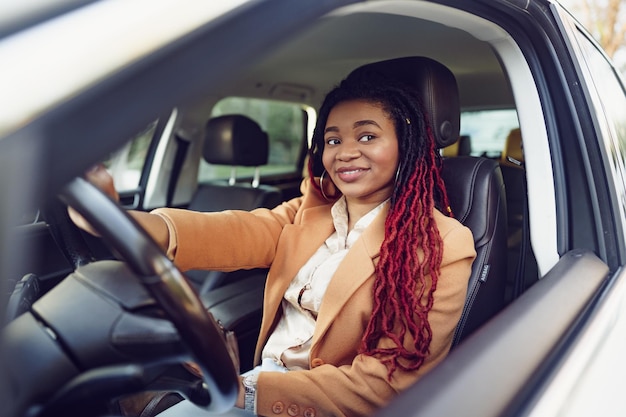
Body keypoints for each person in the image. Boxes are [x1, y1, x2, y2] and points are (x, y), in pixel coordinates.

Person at [71, 69, 476, 417]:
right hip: (257, 381)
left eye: (367, 136)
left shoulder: (440, 243)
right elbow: (233, 231)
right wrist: (123, 221)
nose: (345, 153)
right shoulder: (312, 211)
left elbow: (383, 387)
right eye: (333, 140)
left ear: (406, 146)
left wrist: (248, 392)